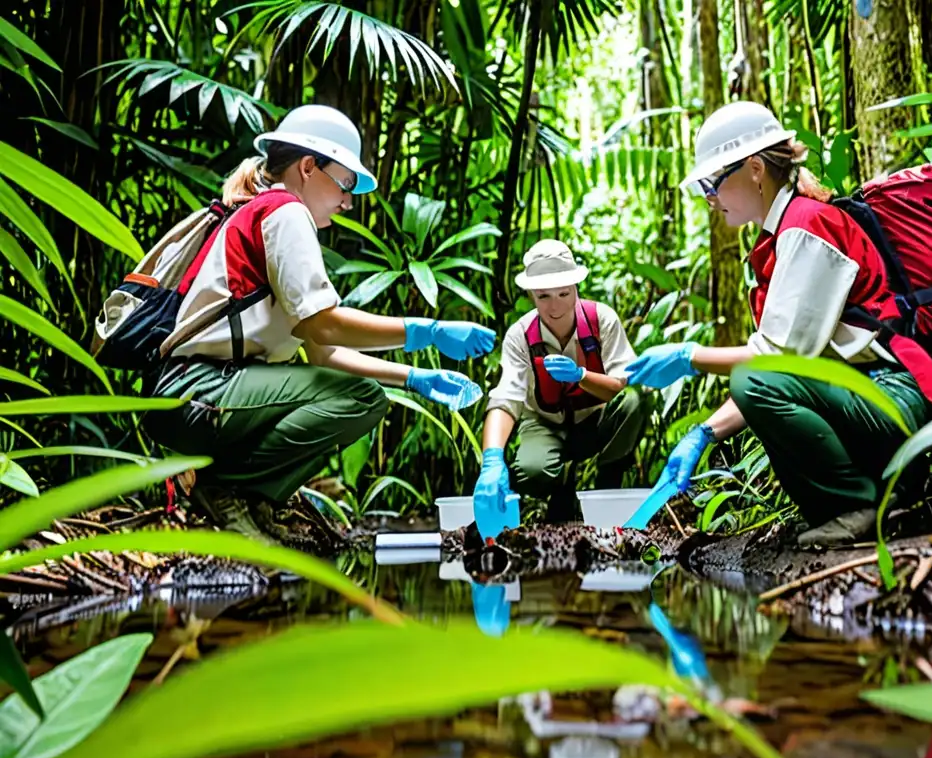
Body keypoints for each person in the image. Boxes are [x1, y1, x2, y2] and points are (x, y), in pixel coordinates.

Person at [144, 104, 494, 550]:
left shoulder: (265, 213)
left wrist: (414, 378)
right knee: (359, 398)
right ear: (308, 166)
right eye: (345, 182)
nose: (348, 201)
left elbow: (321, 352)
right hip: (200, 390)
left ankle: (252, 504)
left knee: (363, 396)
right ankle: (226, 489)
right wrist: (425, 330)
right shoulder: (285, 212)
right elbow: (324, 325)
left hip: (200, 393)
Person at [625, 101, 932, 548]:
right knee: (755, 381)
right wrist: (702, 433)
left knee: (753, 378)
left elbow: (773, 363)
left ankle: (858, 507)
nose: (710, 197)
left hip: (890, 399)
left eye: (713, 182)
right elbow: (789, 371)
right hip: (868, 401)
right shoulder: (788, 233)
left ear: (756, 169)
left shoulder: (806, 226)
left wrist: (690, 358)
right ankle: (865, 504)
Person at [472, 240, 644, 534]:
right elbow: (505, 400)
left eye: (564, 293)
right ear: (531, 295)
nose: (556, 306)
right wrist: (491, 460)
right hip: (545, 424)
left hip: (594, 421)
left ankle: (607, 486)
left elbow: (621, 386)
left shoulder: (601, 319)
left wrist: (581, 375)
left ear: (576, 287)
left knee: (633, 401)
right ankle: (561, 488)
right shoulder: (520, 336)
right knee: (531, 472)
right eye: (544, 296)